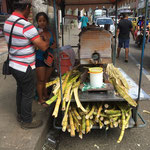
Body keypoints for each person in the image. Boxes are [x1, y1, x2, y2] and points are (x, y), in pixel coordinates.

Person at [3, 0, 49, 129]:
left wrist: (33, 36)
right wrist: (44, 38)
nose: (30, 12)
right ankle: (27, 121)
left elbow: (19, 38)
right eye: (30, 9)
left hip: (13, 64)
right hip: (25, 66)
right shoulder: (26, 25)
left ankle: (22, 114)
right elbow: (43, 47)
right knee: (28, 93)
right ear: (27, 7)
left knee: (21, 90)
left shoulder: (8, 21)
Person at [35, 12, 56, 107]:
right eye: (40, 21)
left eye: (44, 20)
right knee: (41, 80)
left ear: (47, 21)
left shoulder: (50, 32)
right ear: (37, 22)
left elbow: (55, 43)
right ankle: (40, 99)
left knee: (46, 79)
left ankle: (46, 95)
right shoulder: (36, 32)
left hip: (49, 58)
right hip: (39, 58)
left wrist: (53, 45)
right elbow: (35, 45)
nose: (42, 23)